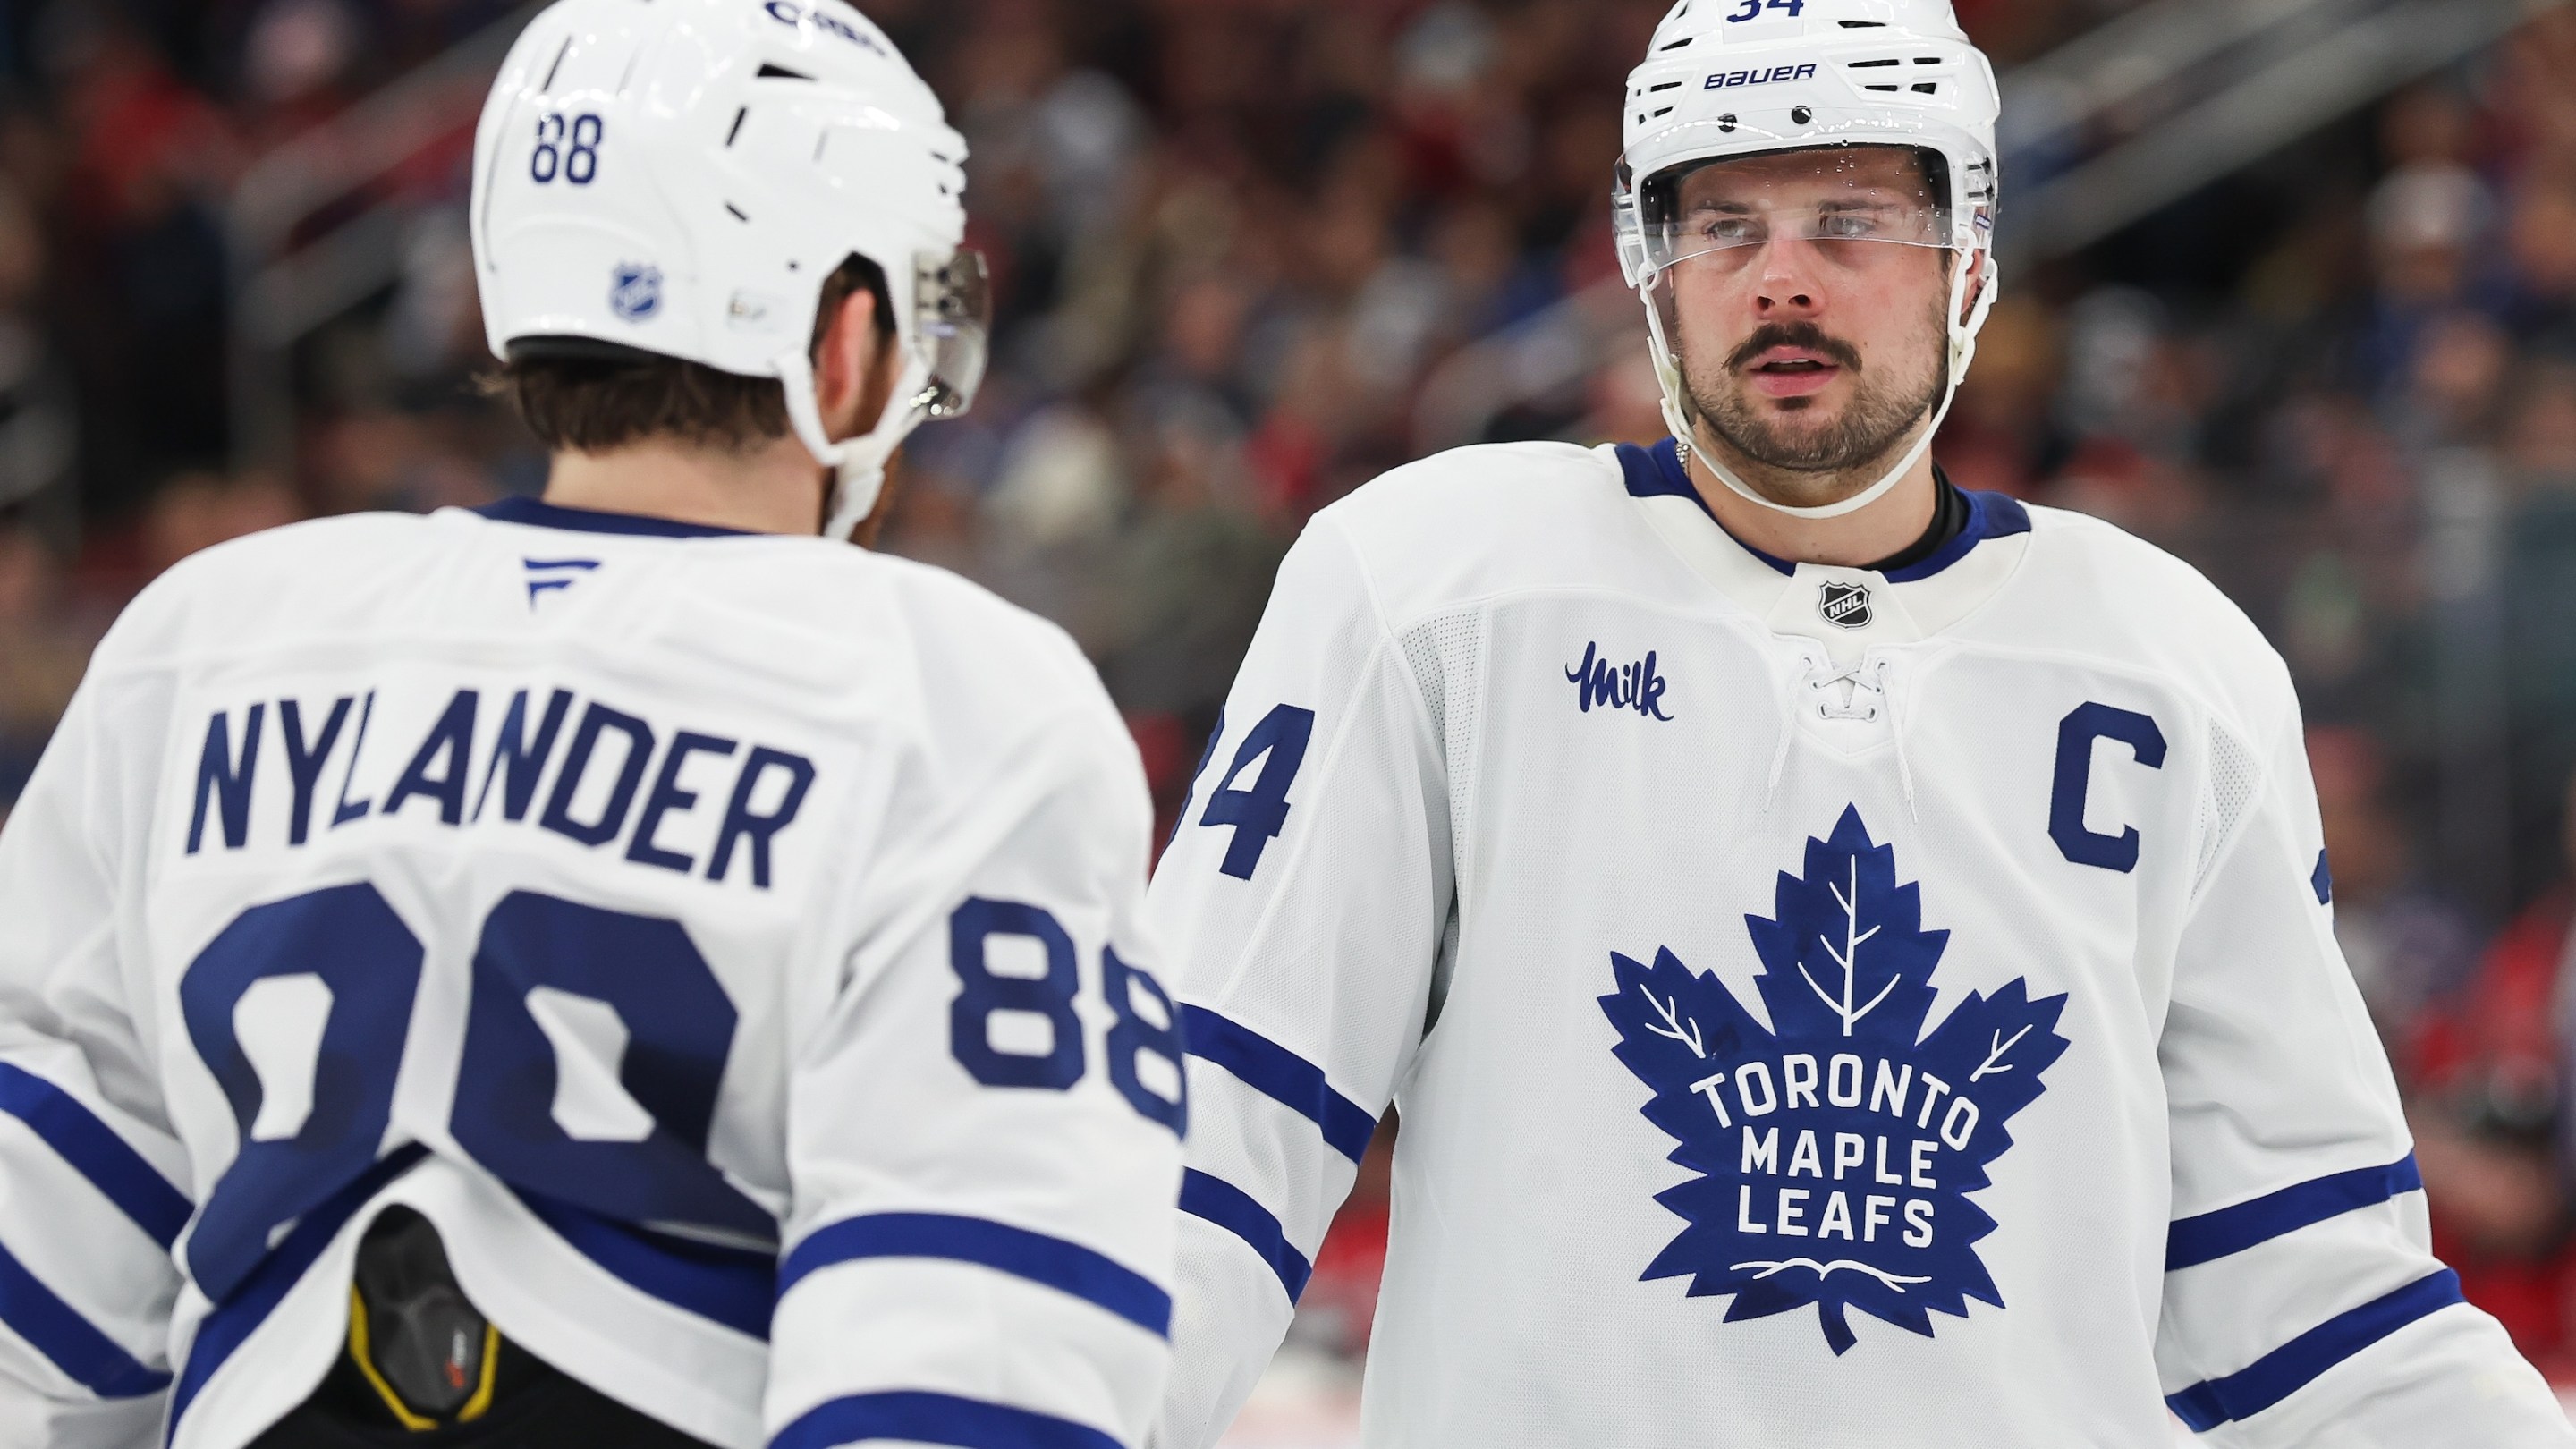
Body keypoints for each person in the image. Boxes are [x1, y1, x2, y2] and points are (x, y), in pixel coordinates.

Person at [1142, 1, 2575, 1445]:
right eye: (1723, 223)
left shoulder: (2178, 670)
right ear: (1650, 267)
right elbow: (1201, 1146)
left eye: (1850, 217)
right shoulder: (1432, 594)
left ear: (1968, 259)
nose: (1779, 279)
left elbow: (2312, 1300)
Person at [0, 3, 1185, 1447]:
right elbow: (977, 1383)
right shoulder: (952, 694)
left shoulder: (203, 649)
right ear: (847, 339)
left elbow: (38, 1332)